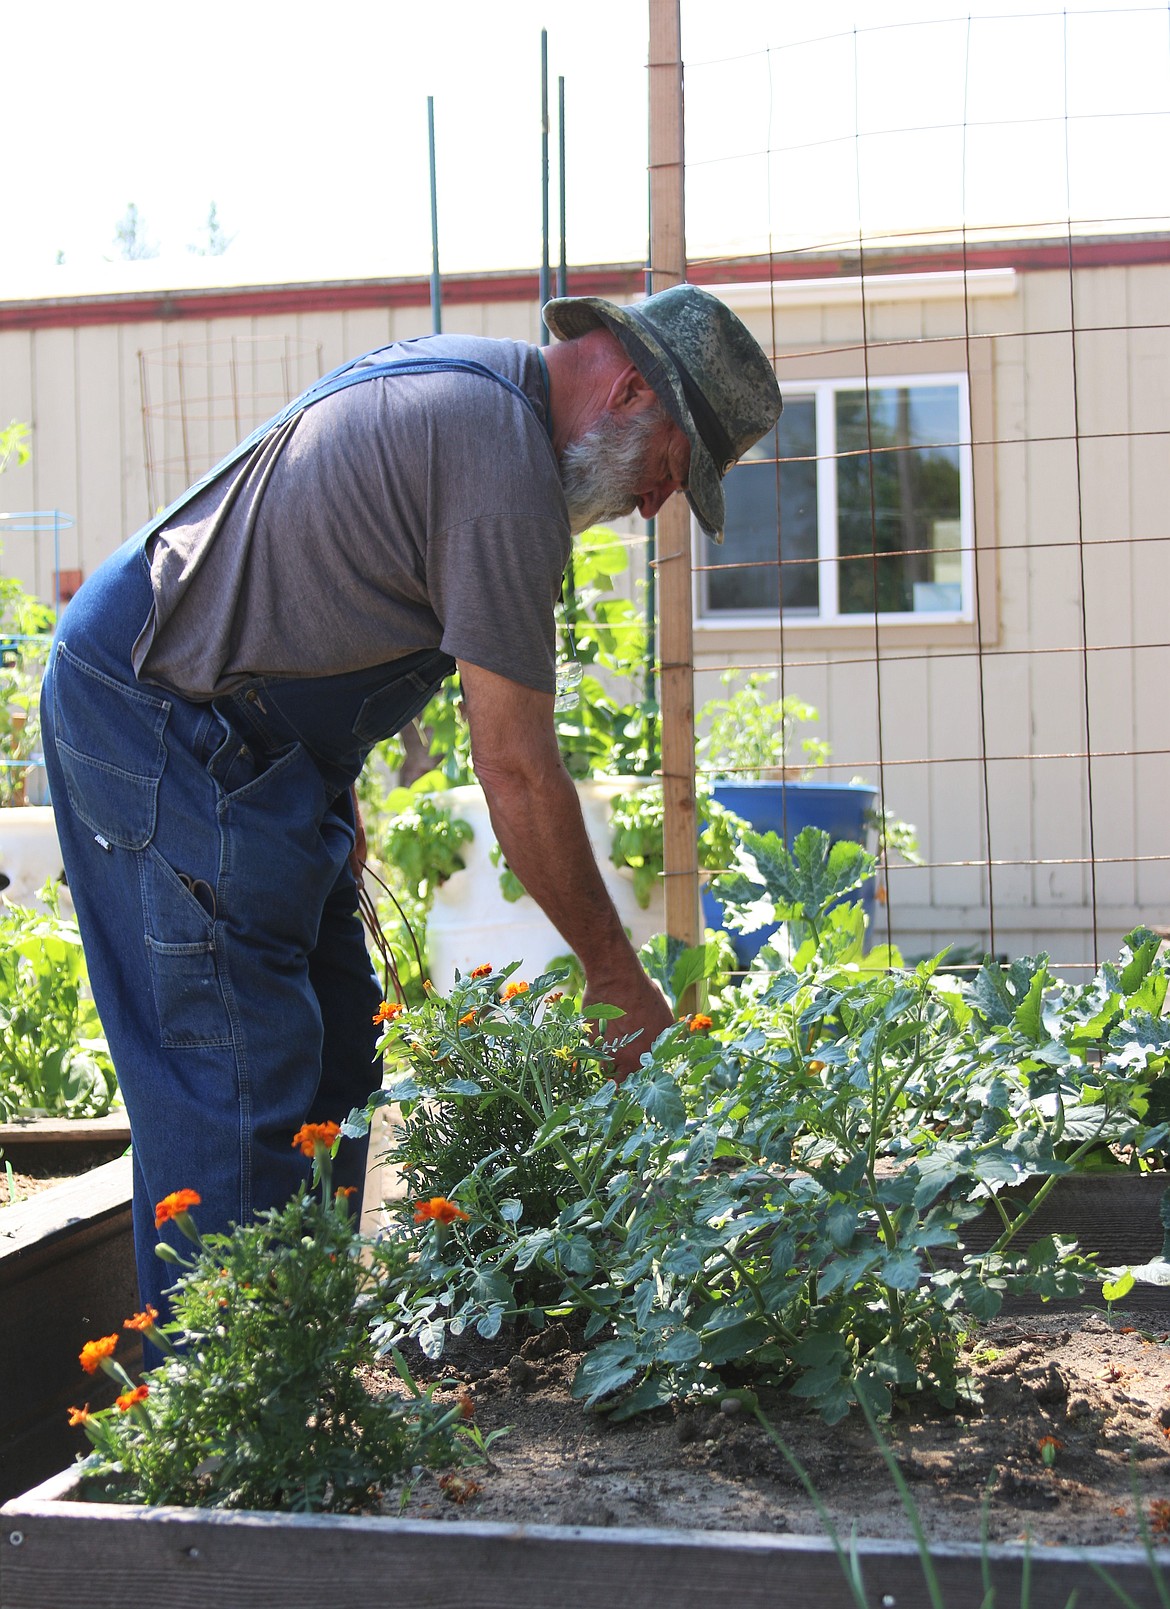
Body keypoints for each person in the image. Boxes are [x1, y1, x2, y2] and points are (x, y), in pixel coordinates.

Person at [39, 283, 782, 1321]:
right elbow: (516, 768)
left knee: (341, 1047)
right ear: (627, 389)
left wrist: (325, 793)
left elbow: (317, 592)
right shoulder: (498, 464)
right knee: (238, 1082)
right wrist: (616, 976)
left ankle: (304, 1367)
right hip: (154, 714)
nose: (653, 505)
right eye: (668, 471)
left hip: (249, 742)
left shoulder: (481, 400)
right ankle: (218, 1438)